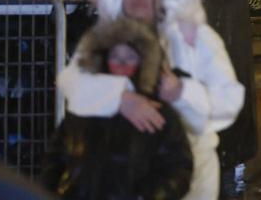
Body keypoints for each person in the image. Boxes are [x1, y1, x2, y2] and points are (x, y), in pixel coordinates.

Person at [57, 0, 245, 200]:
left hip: (192, 173)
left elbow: (230, 100)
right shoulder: (103, 38)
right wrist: (120, 99)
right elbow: (72, 82)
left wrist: (181, 93)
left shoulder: (194, 37)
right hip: (120, 175)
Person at [43, 17, 194, 200]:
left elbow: (178, 168)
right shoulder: (83, 107)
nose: (122, 65)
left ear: (143, 62)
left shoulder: (158, 112)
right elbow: (55, 159)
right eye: (115, 57)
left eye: (130, 57)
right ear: (103, 59)